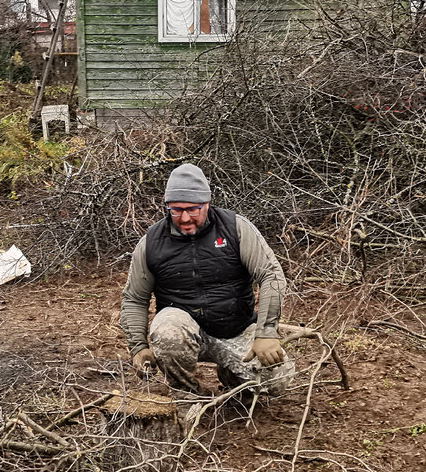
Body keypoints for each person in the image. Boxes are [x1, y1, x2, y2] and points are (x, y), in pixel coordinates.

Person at [120, 163, 295, 396]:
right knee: (168, 329)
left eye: (193, 209)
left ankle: (232, 377)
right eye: (176, 209)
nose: (184, 218)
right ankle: (187, 395)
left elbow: (271, 275)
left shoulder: (236, 229)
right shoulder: (152, 242)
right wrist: (139, 348)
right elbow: (134, 298)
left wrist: (266, 333)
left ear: (207, 203)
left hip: (236, 328)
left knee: (277, 380)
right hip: (184, 334)